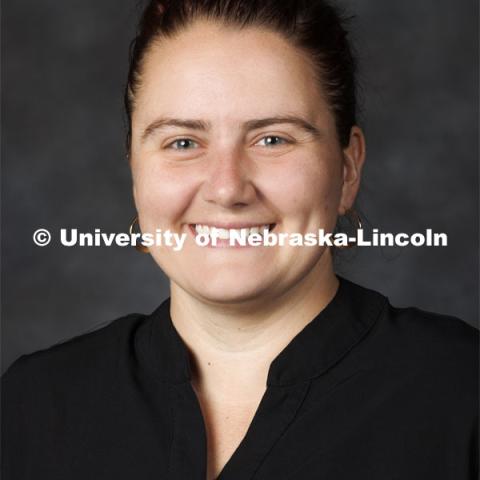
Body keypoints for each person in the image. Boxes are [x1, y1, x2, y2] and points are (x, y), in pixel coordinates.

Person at [2, 1, 478, 479]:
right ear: (135, 170)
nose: (227, 188)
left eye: (273, 139)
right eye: (183, 142)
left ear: (348, 168)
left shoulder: (463, 393)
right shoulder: (35, 404)